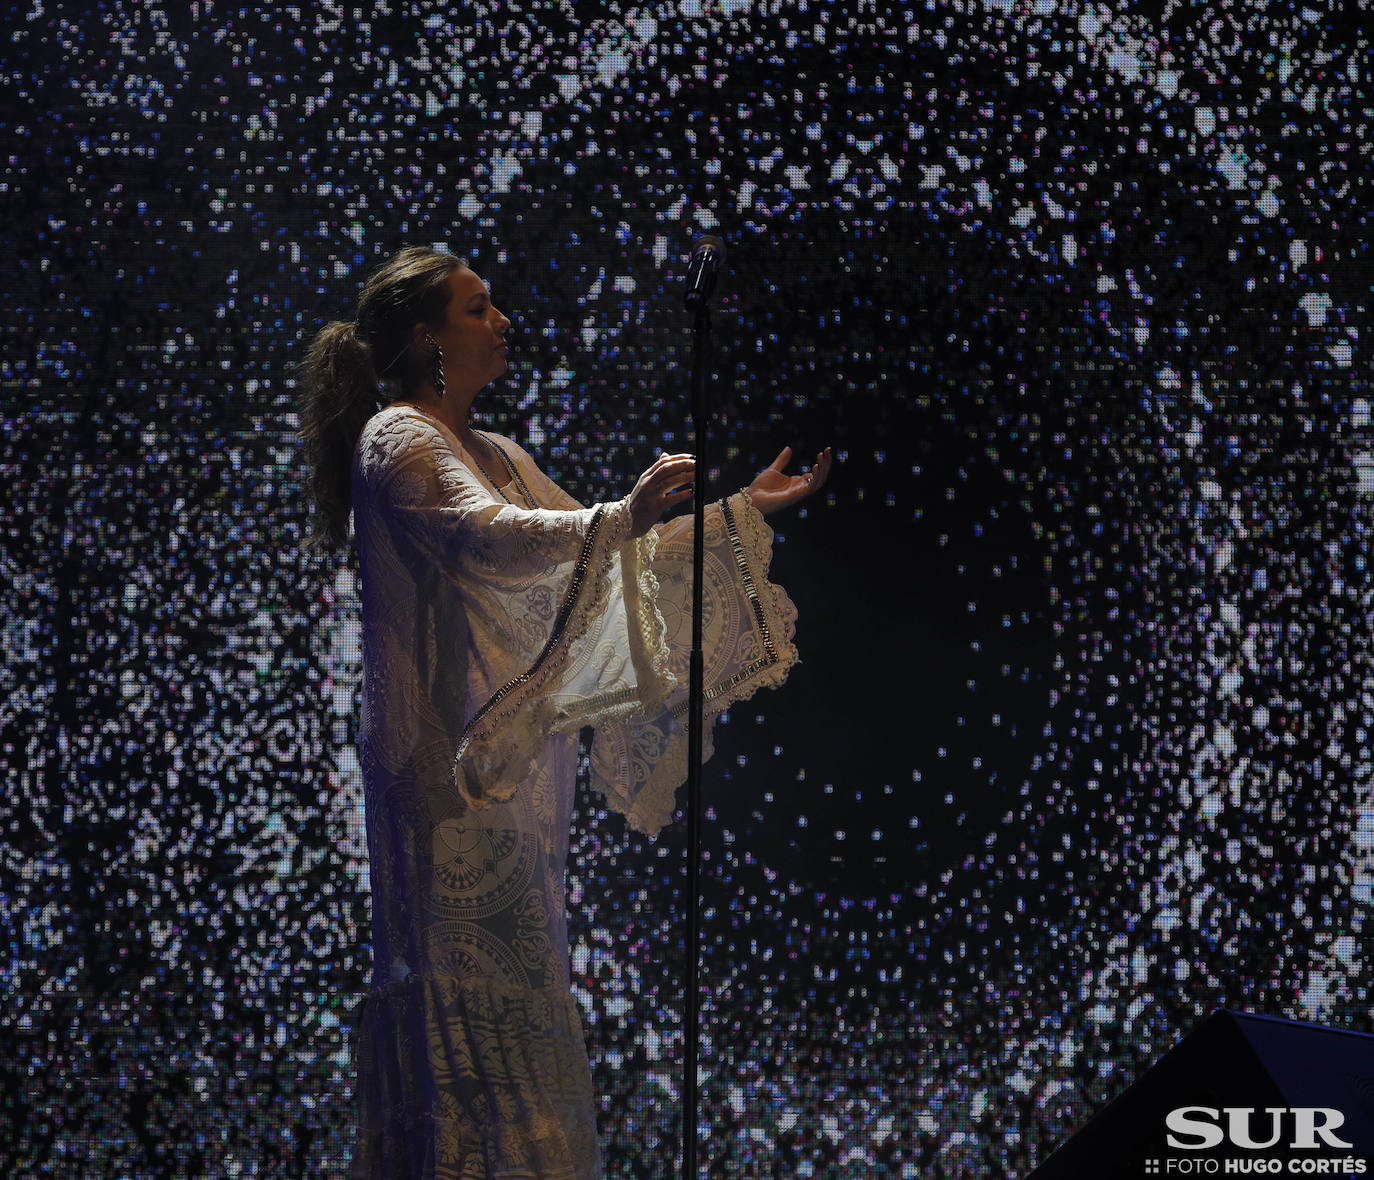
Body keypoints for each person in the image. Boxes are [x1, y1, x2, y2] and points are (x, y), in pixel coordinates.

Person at [300, 246, 831, 1179]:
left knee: (525, 1017)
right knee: (461, 1028)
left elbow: (607, 568)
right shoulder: (397, 438)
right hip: (443, 788)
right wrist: (618, 515)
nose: (502, 322)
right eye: (478, 309)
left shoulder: (499, 452)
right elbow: (495, 538)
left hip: (512, 793)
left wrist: (740, 510)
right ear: (427, 338)